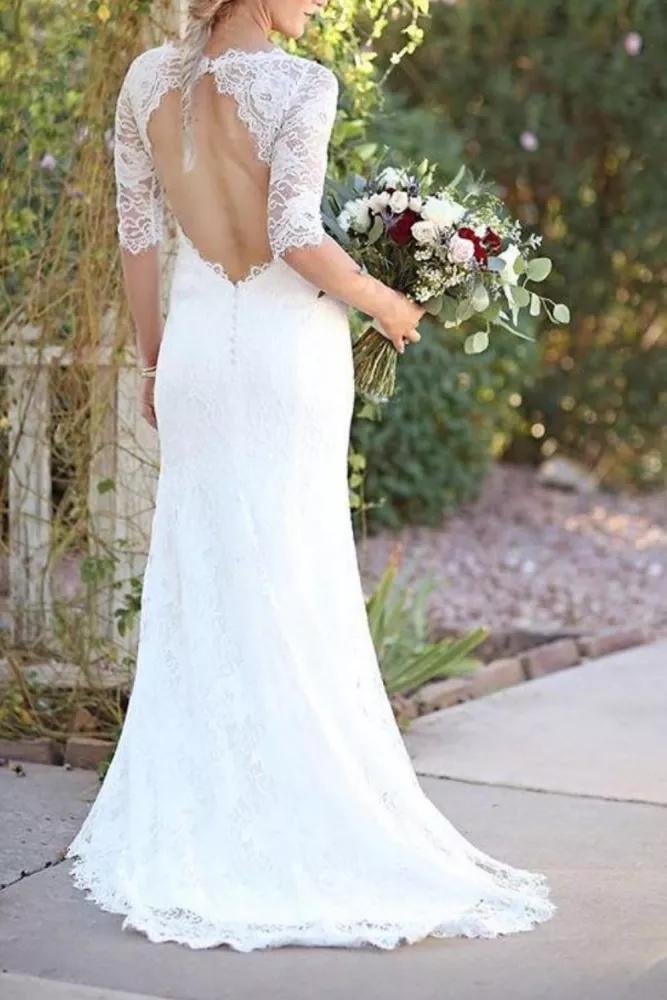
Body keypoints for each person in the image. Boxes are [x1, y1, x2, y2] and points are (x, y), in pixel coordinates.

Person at [64, 0, 556, 952]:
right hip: (286, 354)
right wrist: (386, 304)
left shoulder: (145, 80)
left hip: (196, 351)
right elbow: (294, 234)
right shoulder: (302, 84)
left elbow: (137, 236)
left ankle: (214, 809)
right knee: (293, 577)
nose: (324, 1)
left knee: (208, 577)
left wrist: (156, 363)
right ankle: (301, 810)